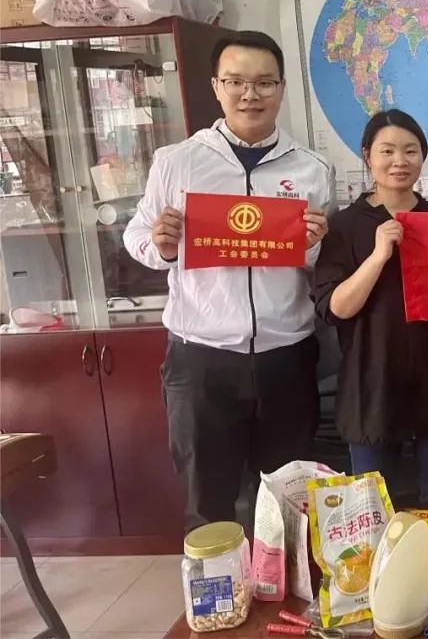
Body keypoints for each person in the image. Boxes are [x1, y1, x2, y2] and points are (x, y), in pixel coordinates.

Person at [123, 30, 335, 531]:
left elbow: (323, 265)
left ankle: (282, 580)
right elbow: (137, 237)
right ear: (216, 86)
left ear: (281, 88)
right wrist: (162, 245)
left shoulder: (312, 169)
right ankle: (217, 582)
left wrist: (314, 245)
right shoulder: (177, 162)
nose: (250, 94)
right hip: (202, 358)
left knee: (288, 502)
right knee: (207, 499)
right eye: (236, 81)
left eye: (264, 82)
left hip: (286, 356)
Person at [314, 110, 428, 508]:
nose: (400, 161)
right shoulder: (343, 227)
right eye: (388, 151)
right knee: (374, 512)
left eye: (411, 151)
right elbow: (336, 308)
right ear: (367, 155)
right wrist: (378, 255)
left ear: (423, 157)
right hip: (371, 387)